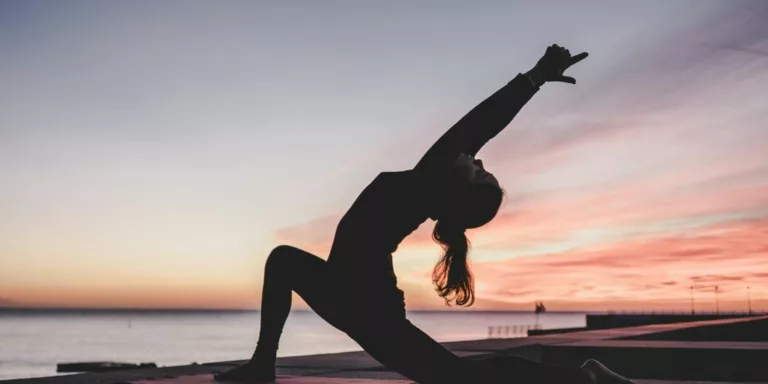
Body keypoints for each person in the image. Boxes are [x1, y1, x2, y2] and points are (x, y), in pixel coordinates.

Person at [215, 44, 634, 384]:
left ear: (457, 191)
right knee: (283, 260)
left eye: (480, 171)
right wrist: (535, 78)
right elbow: (475, 132)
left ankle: (585, 379)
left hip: (366, 305)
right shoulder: (428, 186)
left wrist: (535, 78)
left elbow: (478, 125)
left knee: (459, 378)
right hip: (351, 294)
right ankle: (262, 366)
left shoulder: (427, 180)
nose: (477, 160)